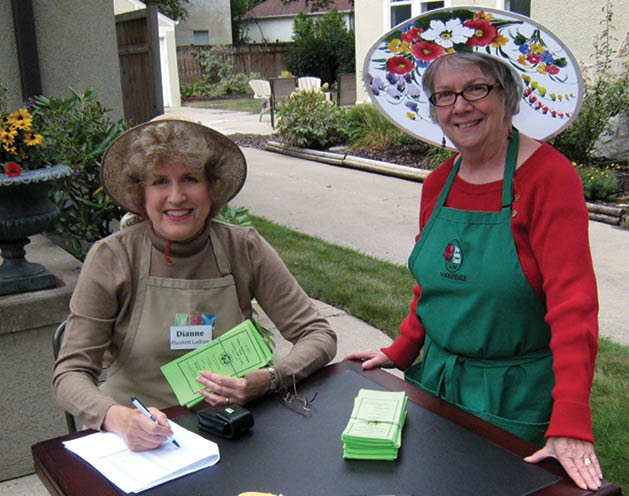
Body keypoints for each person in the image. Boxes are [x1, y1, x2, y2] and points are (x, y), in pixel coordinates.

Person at [347, 7, 603, 491]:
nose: (459, 106)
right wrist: (402, 349)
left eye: (476, 89)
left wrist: (570, 421)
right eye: (445, 95)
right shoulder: (439, 183)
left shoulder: (549, 178)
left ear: (508, 97)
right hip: (438, 382)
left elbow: (574, 306)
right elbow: (437, 286)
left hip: (516, 395)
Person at [53, 118, 337, 451]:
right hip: (143, 444)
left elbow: (319, 335)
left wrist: (269, 379)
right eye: (160, 181)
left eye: (190, 179)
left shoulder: (243, 247)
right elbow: (69, 373)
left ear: (211, 187)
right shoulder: (112, 258)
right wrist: (118, 419)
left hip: (233, 428)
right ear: (140, 193)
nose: (176, 196)